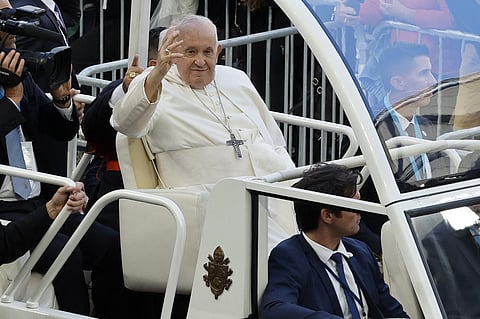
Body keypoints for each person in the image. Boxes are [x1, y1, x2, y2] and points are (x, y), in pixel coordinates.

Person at [111, 14, 298, 250]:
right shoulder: (155, 82)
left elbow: (274, 142)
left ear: (218, 51)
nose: (200, 61)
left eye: (207, 52)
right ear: (172, 51)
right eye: (190, 52)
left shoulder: (236, 80)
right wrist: (159, 71)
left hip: (271, 192)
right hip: (209, 206)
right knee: (291, 256)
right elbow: (125, 123)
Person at [261, 163, 409, 319]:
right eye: (353, 205)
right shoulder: (289, 256)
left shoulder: (361, 251)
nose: (361, 211)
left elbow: (391, 310)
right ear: (328, 216)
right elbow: (275, 309)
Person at [82, 27, 164, 231]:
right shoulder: (120, 90)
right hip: (121, 196)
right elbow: (92, 129)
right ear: (155, 64)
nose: (198, 62)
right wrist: (128, 90)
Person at [0, 182, 85, 264]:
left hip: (43, 200)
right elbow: (5, 246)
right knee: (67, 251)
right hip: (6, 208)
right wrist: (51, 209)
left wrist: (73, 193)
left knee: (94, 238)